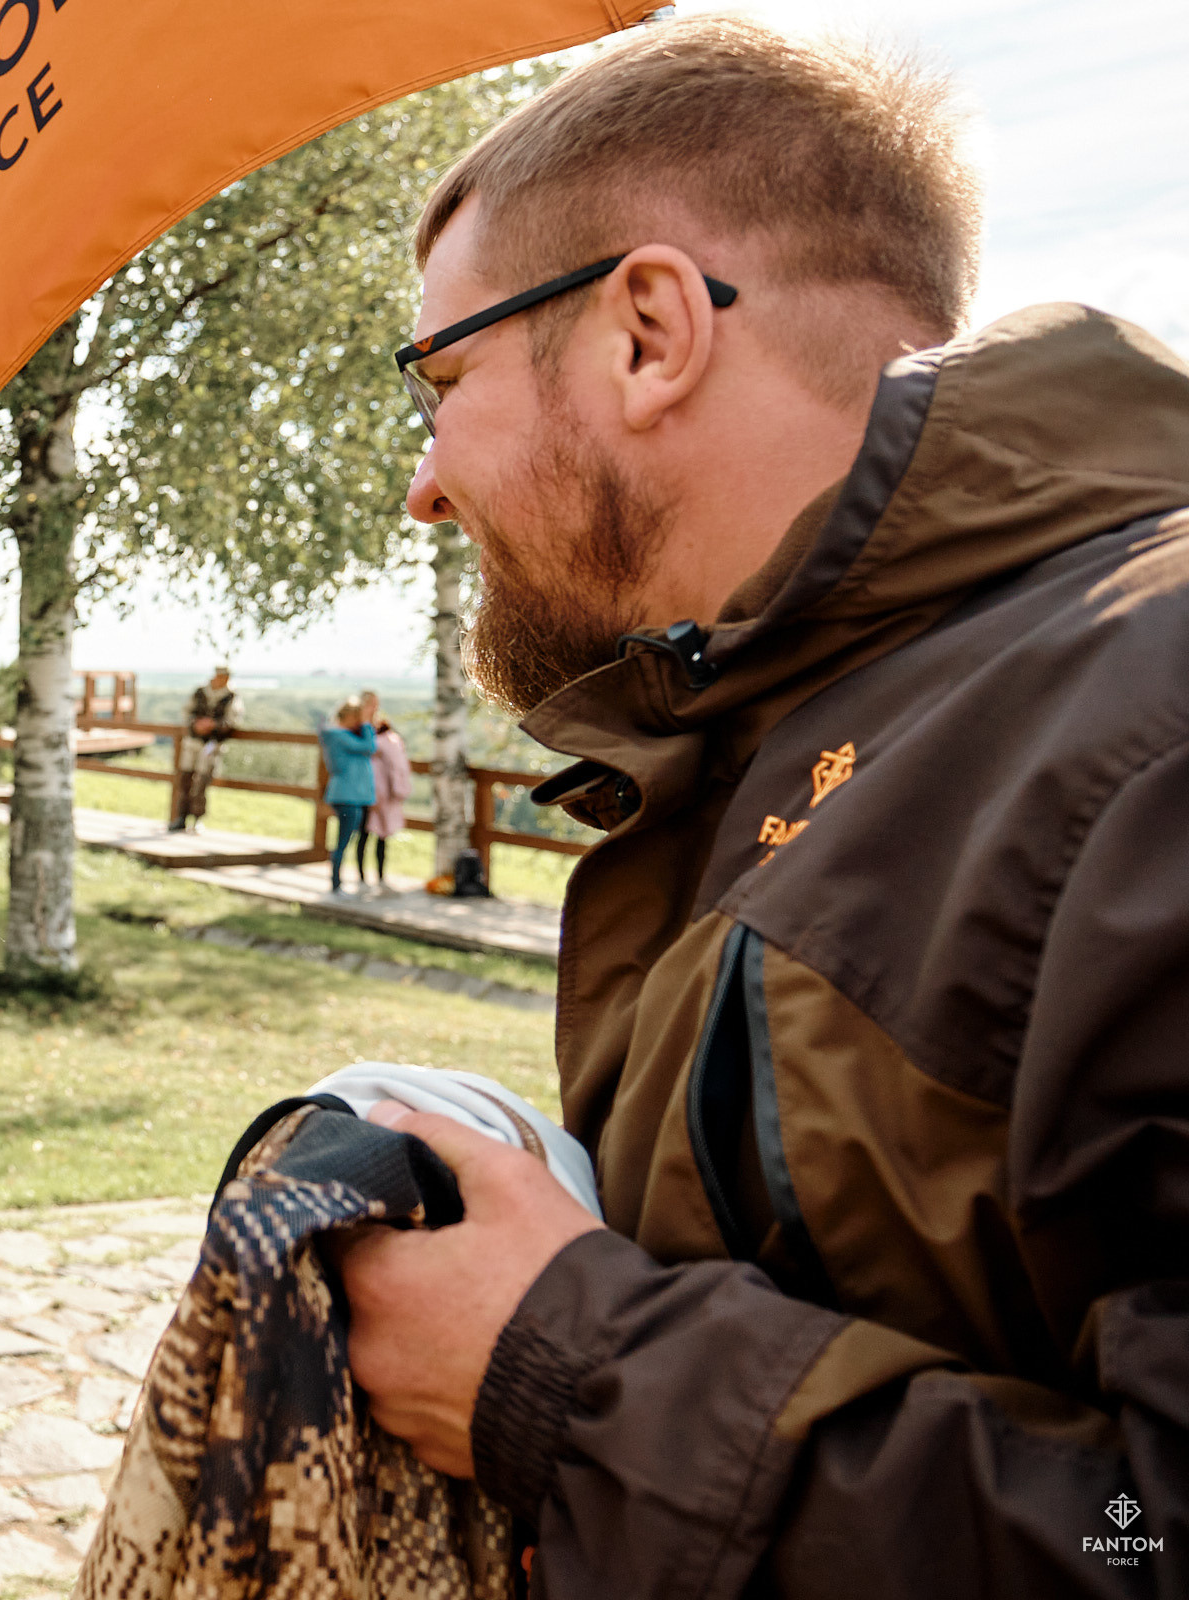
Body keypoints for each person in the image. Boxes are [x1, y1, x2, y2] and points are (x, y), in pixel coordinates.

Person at [337, 17, 1189, 1595]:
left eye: (441, 381)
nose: (426, 484)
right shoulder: (789, 729)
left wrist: (568, 1376)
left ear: (649, 332)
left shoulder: (1156, 714)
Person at [170, 664, 241, 831]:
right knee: (185, 779)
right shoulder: (200, 692)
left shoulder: (231, 696)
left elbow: (233, 719)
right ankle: (181, 817)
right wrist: (196, 723)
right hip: (192, 741)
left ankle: (197, 818)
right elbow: (186, 712)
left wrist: (213, 725)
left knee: (202, 781)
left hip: (212, 744)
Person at [316, 698, 376, 894]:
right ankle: (336, 884)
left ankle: (337, 883)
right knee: (342, 843)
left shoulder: (338, 735)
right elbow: (369, 747)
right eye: (357, 717)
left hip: (350, 795)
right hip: (347, 796)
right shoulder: (338, 736)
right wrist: (366, 723)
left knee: (345, 841)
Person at [355, 689, 413, 886]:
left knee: (382, 834)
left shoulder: (382, 728)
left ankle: (380, 876)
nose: (374, 708)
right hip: (364, 788)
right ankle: (361, 877)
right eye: (371, 704)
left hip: (383, 790)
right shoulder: (358, 728)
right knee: (363, 833)